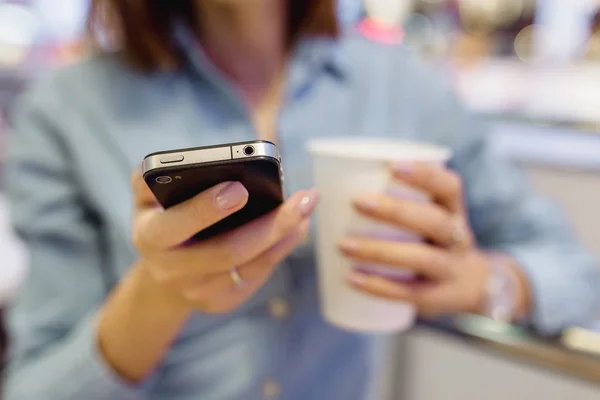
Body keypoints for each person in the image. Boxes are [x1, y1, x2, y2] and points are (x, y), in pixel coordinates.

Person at [4, 1, 599, 399]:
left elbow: (578, 272)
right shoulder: (68, 111)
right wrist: (157, 293)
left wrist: (486, 284)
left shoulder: (401, 86)